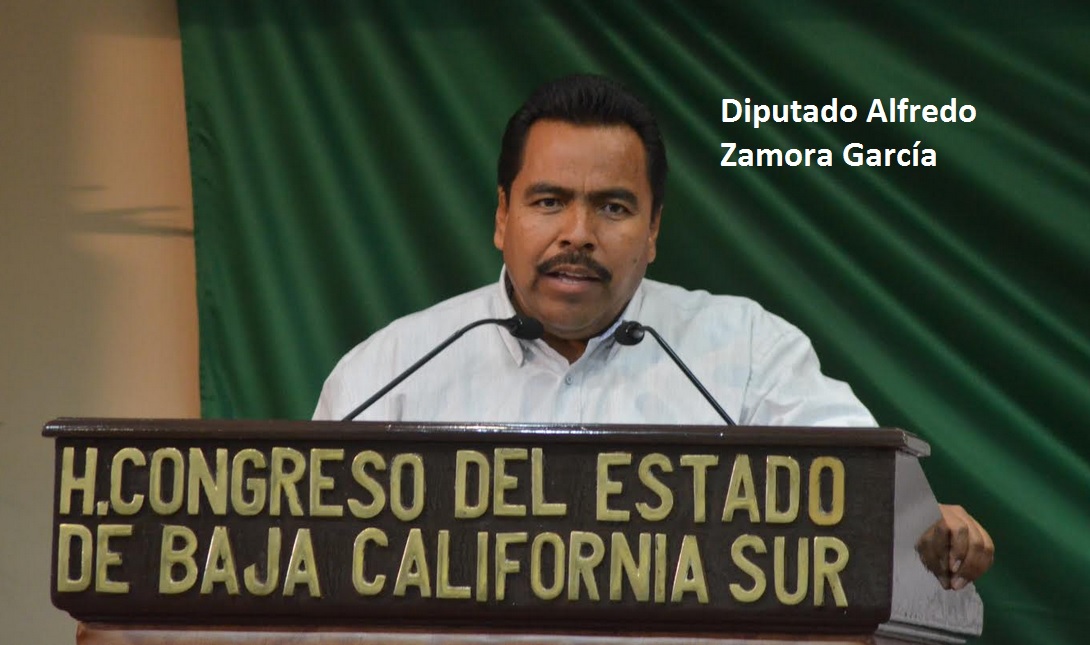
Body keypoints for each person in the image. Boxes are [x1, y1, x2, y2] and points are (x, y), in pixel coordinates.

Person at [314, 74, 993, 590]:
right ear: (501, 217)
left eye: (613, 207)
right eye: (549, 201)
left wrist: (923, 523)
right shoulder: (390, 370)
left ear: (653, 230)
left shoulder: (747, 352)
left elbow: (867, 495)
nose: (577, 234)